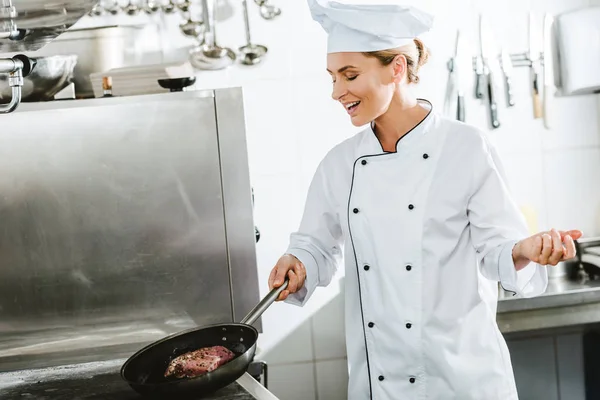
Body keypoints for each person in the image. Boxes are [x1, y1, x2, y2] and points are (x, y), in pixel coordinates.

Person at [267, 1, 583, 399]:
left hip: (462, 378)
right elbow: (314, 245)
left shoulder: (465, 148)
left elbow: (499, 249)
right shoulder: (339, 165)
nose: (336, 92)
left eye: (349, 75)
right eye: (332, 77)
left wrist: (527, 249)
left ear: (396, 68)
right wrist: (297, 262)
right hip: (380, 382)